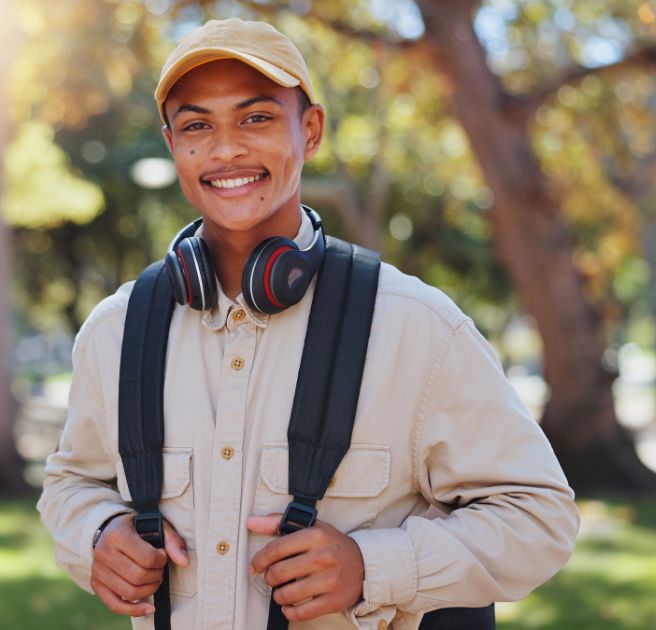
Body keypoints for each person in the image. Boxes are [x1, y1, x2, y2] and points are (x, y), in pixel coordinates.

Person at [37, 18, 578, 630]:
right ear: (172, 145)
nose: (225, 150)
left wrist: (373, 567)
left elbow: (538, 517)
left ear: (311, 129)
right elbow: (71, 484)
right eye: (197, 126)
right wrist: (98, 534)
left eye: (256, 118)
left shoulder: (415, 327)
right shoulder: (115, 333)